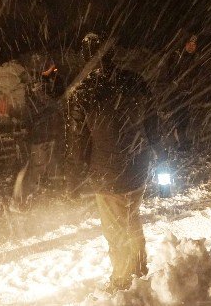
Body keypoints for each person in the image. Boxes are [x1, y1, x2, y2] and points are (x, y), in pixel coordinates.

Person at [65, 33, 160, 292]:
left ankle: (122, 282)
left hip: (107, 176)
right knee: (131, 218)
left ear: (86, 59)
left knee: (116, 230)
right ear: (112, 54)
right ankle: (139, 270)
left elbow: (76, 143)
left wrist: (73, 179)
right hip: (138, 168)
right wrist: (158, 150)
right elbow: (152, 122)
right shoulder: (136, 81)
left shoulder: (83, 93)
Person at [11, 53, 64, 211]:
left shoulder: (43, 84)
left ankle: (28, 199)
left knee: (41, 168)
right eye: (50, 67)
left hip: (45, 134)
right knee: (35, 169)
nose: (54, 69)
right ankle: (20, 202)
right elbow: (51, 107)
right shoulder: (36, 87)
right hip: (40, 135)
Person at [161, 34, 200, 150]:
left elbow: (196, 74)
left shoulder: (194, 58)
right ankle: (173, 142)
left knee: (184, 118)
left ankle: (181, 142)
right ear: (185, 44)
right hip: (176, 92)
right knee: (175, 117)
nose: (192, 47)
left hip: (187, 93)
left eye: (194, 45)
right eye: (190, 44)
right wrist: (174, 85)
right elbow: (170, 73)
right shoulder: (177, 55)